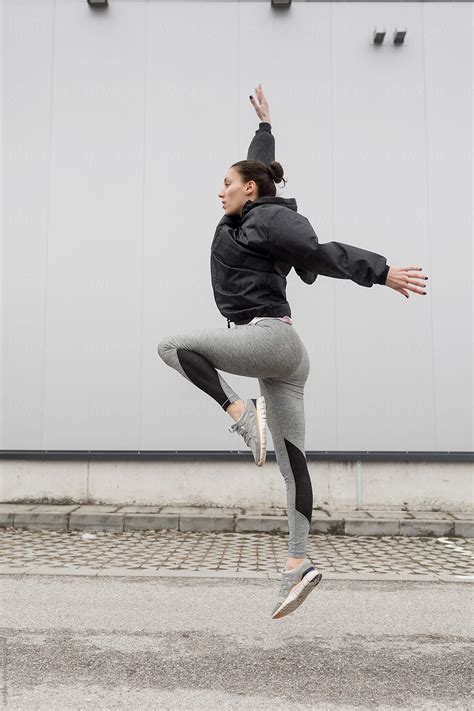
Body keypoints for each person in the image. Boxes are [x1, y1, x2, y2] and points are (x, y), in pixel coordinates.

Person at [157, 83, 429, 619]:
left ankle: (242, 414)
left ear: (248, 192)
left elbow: (320, 253)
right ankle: (298, 565)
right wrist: (264, 126)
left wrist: (382, 272)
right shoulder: (247, 213)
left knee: (173, 346)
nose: (220, 191)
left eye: (226, 184)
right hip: (283, 355)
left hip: (270, 339)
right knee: (291, 466)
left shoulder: (267, 220)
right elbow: (257, 167)